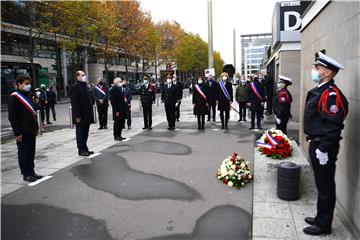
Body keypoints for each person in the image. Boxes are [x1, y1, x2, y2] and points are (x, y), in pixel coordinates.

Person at [303, 52, 348, 236]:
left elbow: (333, 125)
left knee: (325, 185)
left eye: (318, 67)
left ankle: (323, 225)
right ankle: (321, 216)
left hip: (324, 147)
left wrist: (323, 149)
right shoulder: (321, 90)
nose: (314, 70)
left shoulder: (330, 94)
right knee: (321, 184)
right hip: (317, 144)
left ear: (328, 72)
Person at [8, 75, 43, 182]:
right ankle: (26, 174)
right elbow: (12, 117)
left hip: (31, 129)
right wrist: (17, 133)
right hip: (22, 131)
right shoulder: (14, 97)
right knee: (23, 153)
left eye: (29, 83)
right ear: (19, 84)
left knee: (31, 152)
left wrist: (36, 127)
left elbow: (32, 114)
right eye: (26, 83)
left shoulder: (28, 95)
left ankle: (32, 171)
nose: (29, 86)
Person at [70, 70, 95, 156]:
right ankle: (81, 149)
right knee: (80, 133)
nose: (84, 76)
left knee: (85, 133)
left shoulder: (85, 86)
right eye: (82, 75)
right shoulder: (75, 87)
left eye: (84, 75)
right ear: (77, 77)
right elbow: (75, 103)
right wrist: (77, 116)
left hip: (87, 114)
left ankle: (85, 148)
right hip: (80, 115)